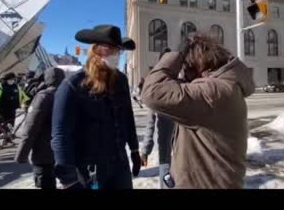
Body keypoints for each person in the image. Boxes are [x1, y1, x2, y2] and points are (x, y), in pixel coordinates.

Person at [141, 34, 256, 189]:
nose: (184, 74)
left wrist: (177, 54)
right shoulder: (225, 86)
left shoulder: (213, 92)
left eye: (186, 69)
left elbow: (152, 92)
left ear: (198, 66)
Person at [51, 25, 141, 190]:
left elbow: (127, 117)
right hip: (89, 170)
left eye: (118, 50)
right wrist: (68, 180)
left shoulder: (121, 80)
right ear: (96, 51)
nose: (115, 54)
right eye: (110, 49)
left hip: (119, 164)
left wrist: (134, 150)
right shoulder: (72, 85)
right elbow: (60, 135)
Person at [14, 67, 66, 189]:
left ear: (47, 79)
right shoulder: (70, 94)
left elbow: (31, 126)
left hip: (44, 152)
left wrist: (22, 154)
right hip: (66, 151)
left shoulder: (44, 96)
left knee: (45, 182)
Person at [140, 47, 175, 189]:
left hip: (183, 146)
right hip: (165, 150)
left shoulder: (182, 81)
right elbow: (151, 121)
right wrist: (145, 150)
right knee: (166, 179)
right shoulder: (155, 85)